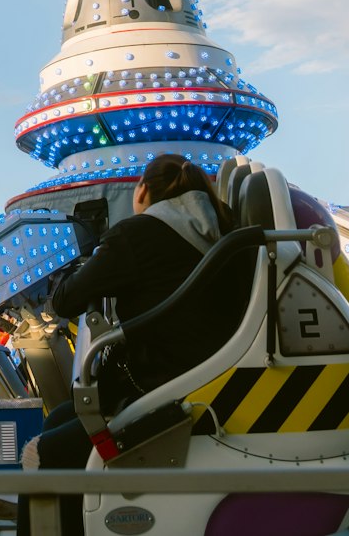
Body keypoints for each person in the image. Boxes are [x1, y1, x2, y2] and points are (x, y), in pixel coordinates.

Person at [18, 156, 233, 536]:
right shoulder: (226, 229)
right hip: (213, 377)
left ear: (143, 191)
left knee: (46, 452)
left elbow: (67, 300)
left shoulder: (137, 234)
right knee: (58, 419)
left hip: (161, 387)